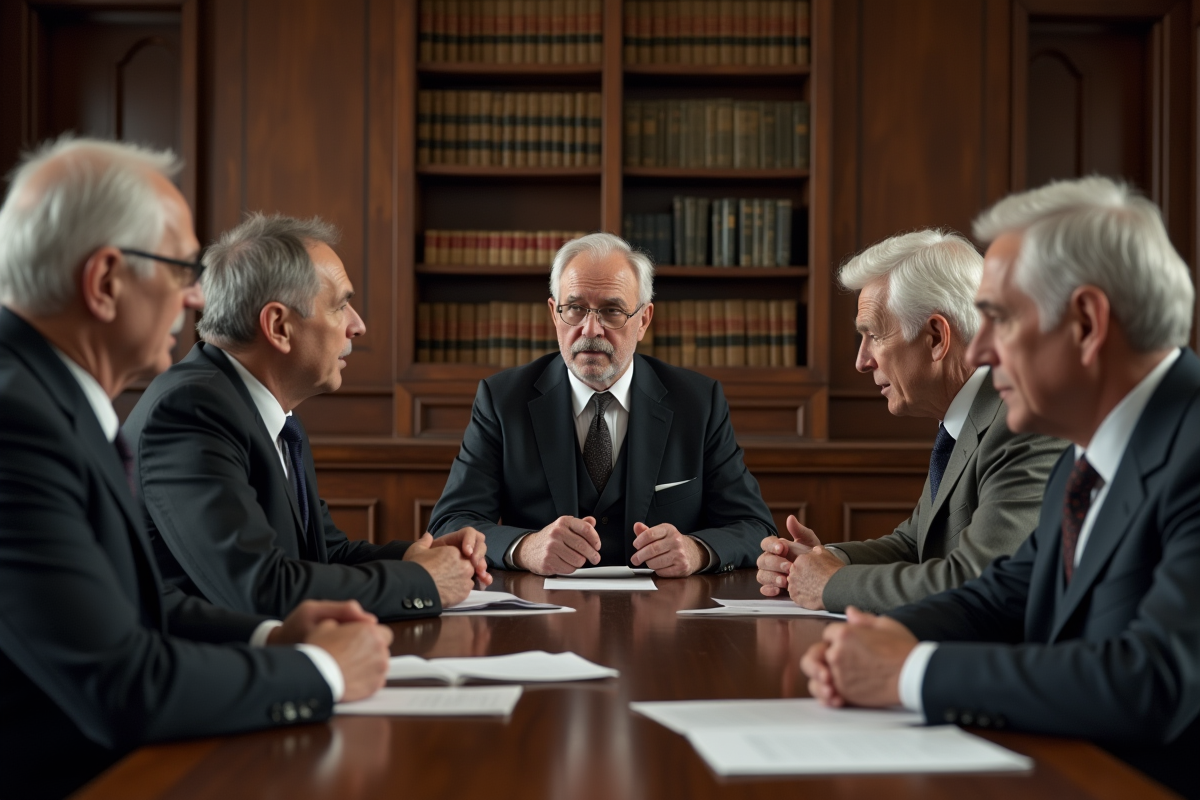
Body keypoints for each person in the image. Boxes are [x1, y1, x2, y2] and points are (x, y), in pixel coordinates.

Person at [0, 137, 392, 799]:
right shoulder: (18, 425)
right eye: (181, 270)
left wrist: (271, 637)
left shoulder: (52, 399)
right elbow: (122, 685)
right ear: (105, 282)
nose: (194, 301)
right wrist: (321, 671)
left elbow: (141, 610)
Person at [801, 177, 1200, 798]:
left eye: (997, 319)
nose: (980, 349)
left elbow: (1150, 681)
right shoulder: (1085, 452)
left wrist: (912, 672)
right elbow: (1006, 590)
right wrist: (884, 637)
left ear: (1087, 323)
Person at [123, 214, 484, 620]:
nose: (358, 326)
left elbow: (324, 555)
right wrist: (420, 582)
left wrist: (421, 556)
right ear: (279, 326)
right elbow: (259, 588)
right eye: (341, 306)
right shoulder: (191, 411)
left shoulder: (264, 410)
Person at [428, 232, 775, 576]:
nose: (590, 329)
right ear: (554, 312)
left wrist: (698, 551)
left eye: (611, 311)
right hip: (540, 617)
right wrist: (524, 548)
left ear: (644, 320)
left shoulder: (699, 402)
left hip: (662, 618)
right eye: (575, 309)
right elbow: (451, 524)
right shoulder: (502, 400)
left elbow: (754, 526)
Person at [756, 230, 1064, 612]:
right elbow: (914, 546)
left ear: (936, 337)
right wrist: (818, 558)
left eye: (873, 336)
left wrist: (832, 583)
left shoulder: (1023, 423)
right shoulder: (963, 419)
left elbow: (980, 580)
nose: (862, 361)